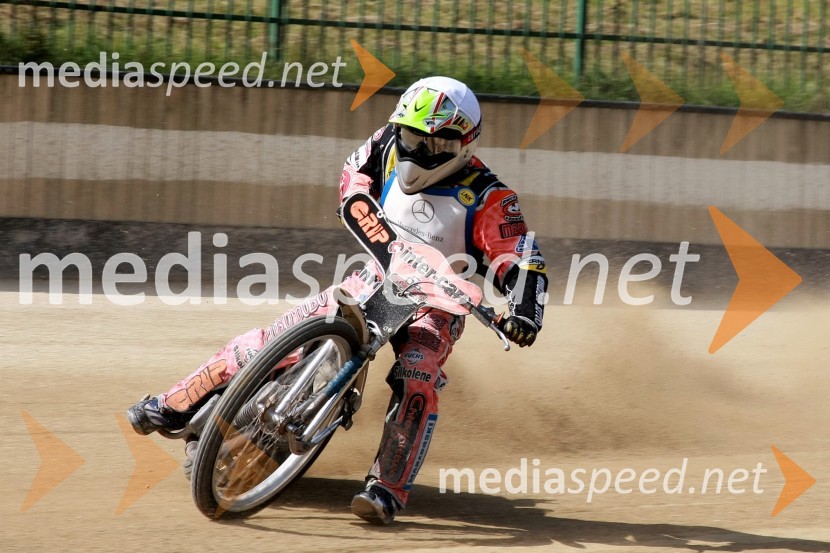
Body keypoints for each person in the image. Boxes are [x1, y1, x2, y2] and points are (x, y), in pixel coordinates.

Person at [127, 76, 548, 525]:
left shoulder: (489, 197)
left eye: (434, 145)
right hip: (375, 278)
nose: (417, 152)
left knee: (418, 375)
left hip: (439, 305)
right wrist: (390, 247)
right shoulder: (386, 142)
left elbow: (523, 260)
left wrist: (522, 312)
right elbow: (352, 181)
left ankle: (387, 488)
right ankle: (174, 404)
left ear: (464, 143)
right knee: (274, 337)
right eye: (411, 137)